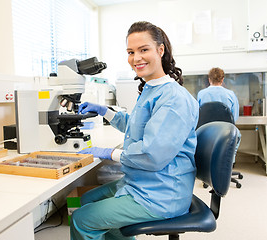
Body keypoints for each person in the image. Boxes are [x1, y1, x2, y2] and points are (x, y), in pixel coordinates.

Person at [70, 21, 199, 240]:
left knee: (82, 219)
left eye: (143, 50)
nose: (136, 58)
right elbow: (134, 126)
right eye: (131, 52)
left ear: (160, 50)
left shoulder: (174, 98)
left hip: (161, 193)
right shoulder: (151, 90)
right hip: (142, 181)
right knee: (85, 200)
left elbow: (152, 155)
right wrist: (104, 111)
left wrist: (108, 153)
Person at [197, 67, 241, 162]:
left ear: (209, 79)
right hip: (225, 132)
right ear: (222, 79)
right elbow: (234, 117)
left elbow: (197, 115)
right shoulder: (230, 94)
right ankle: (229, 162)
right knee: (237, 134)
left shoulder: (201, 94)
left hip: (206, 132)